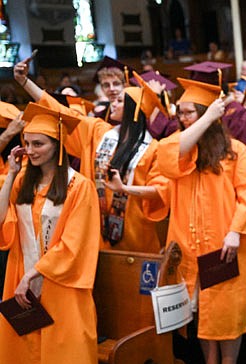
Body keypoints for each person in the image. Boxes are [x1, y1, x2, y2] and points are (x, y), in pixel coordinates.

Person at [154, 78, 246, 364]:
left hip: (225, 245)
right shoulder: (186, 153)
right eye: (181, 113)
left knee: (225, 308)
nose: (182, 118)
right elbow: (167, 155)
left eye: (190, 112)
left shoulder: (235, 153)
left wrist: (235, 231)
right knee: (202, 309)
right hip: (190, 246)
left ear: (207, 113)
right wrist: (203, 120)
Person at [0, 103, 100, 364]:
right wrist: (11, 174)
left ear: (57, 145)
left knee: (75, 360)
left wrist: (34, 274)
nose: (30, 150)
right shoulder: (22, 182)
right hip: (29, 284)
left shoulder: (79, 187)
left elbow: (75, 243)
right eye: (26, 143)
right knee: (47, 361)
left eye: (38, 144)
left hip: (65, 285)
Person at [15, 64, 169, 253]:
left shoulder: (153, 149)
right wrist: (25, 82)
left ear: (134, 110)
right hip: (95, 231)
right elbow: (60, 111)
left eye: (120, 100)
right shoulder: (98, 132)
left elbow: (161, 190)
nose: (113, 102)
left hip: (136, 236)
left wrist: (124, 189)